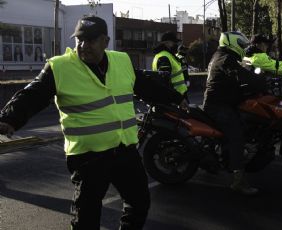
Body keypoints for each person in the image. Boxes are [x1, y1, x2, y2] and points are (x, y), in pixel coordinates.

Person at [0, 16, 187, 229]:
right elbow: (32, 95)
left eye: (90, 40)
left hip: (124, 150)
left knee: (139, 203)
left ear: (105, 41)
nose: (83, 45)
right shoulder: (60, 67)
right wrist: (9, 118)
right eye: (79, 40)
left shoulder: (121, 61)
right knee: (87, 216)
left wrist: (175, 98)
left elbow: (145, 85)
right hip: (88, 157)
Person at [202, 31, 267, 195]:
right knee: (237, 135)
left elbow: (237, 77)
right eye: (241, 45)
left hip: (222, 102)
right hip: (218, 106)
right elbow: (242, 75)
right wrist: (261, 81)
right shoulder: (225, 58)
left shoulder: (222, 56)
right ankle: (238, 182)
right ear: (232, 43)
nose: (243, 48)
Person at [152, 31, 189, 100]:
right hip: (176, 99)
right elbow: (165, 83)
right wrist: (178, 100)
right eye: (174, 42)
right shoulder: (164, 57)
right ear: (167, 43)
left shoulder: (168, 55)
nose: (176, 45)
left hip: (179, 96)